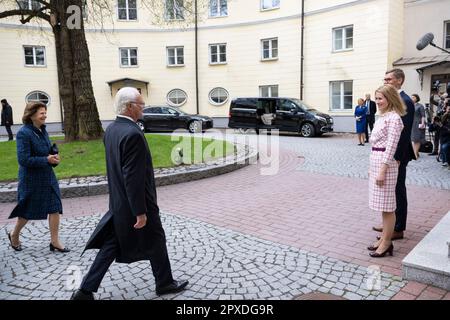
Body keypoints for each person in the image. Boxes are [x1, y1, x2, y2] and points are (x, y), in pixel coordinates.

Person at [71, 87, 188, 300]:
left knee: (112, 244)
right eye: (141, 105)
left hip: (119, 202)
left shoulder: (112, 129)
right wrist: (140, 212)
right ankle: (165, 283)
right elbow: (132, 178)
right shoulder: (133, 133)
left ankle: (85, 291)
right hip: (137, 204)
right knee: (156, 238)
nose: (143, 109)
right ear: (129, 107)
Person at [7, 102, 69, 253]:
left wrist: (54, 157)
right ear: (32, 115)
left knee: (55, 207)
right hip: (31, 179)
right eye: (42, 113)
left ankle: (54, 241)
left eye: (45, 112)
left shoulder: (43, 130)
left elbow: (47, 151)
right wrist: (45, 160)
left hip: (47, 176)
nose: (45, 115)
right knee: (27, 210)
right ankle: (14, 235)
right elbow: (23, 159)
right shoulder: (23, 133)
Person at [372, 69, 415, 240]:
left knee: (397, 190)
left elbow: (403, 134)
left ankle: (398, 227)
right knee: (389, 192)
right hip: (390, 155)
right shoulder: (391, 100)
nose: (386, 81)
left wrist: (396, 158)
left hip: (398, 156)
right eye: (384, 78)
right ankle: (389, 223)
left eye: (389, 79)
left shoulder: (405, 101)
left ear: (399, 80)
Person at [367, 85, 405, 257]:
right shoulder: (381, 117)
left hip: (386, 165)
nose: (378, 101)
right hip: (376, 161)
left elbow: (390, 147)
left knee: (388, 207)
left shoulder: (394, 118)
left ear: (390, 98)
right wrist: (371, 167)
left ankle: (387, 242)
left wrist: (382, 169)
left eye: (381, 98)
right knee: (382, 205)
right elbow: (374, 144)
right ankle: (383, 238)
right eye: (376, 98)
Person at [410, 94, 426, 159]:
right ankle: (415, 152)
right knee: (413, 139)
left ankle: (415, 153)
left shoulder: (420, 106)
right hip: (412, 124)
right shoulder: (410, 105)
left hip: (418, 123)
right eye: (411, 97)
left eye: (413, 97)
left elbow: (423, 115)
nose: (412, 98)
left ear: (417, 98)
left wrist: (422, 123)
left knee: (417, 139)